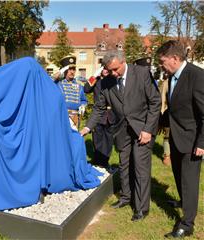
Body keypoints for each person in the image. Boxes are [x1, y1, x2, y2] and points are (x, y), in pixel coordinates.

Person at [81, 50, 161, 221]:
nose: (114, 74)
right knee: (124, 165)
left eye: (116, 69)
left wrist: (148, 129)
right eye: (110, 70)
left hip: (142, 129)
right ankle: (126, 197)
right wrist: (87, 128)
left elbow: (155, 102)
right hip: (121, 130)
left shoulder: (141, 73)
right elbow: (99, 108)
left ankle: (141, 208)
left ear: (124, 61)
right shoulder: (106, 81)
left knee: (140, 167)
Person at [156, 40, 203, 238]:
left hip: (192, 141)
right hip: (176, 136)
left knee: (189, 181)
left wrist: (202, 143)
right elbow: (176, 108)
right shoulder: (173, 76)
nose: (161, 65)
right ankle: (183, 202)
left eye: (162, 61)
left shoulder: (197, 76)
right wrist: (159, 121)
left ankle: (187, 223)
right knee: (178, 175)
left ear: (175, 59)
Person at [84, 67, 116, 170]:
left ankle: (104, 162)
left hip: (111, 114)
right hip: (98, 115)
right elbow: (86, 89)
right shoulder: (96, 81)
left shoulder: (113, 80)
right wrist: (94, 76)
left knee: (108, 141)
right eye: (104, 69)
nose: (106, 71)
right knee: (97, 140)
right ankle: (97, 161)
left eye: (108, 69)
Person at [53, 55, 87, 131]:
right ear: (64, 70)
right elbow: (48, 81)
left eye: (74, 69)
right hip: (61, 116)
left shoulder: (79, 85)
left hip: (75, 117)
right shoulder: (58, 84)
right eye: (69, 69)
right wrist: (61, 71)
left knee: (73, 140)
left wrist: (83, 105)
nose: (72, 72)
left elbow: (83, 100)